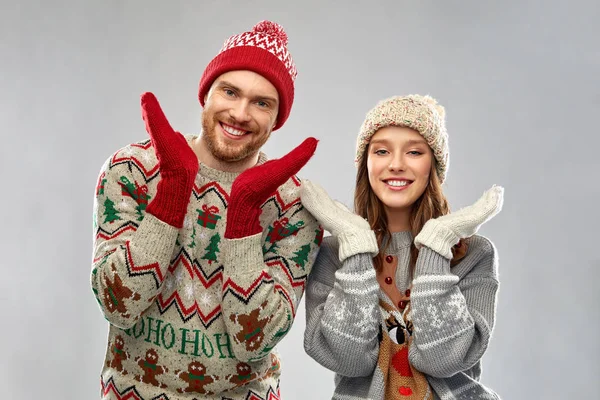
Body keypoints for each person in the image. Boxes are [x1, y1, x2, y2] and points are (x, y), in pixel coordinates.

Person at [91, 20, 322, 400]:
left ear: (277, 119)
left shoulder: (294, 205)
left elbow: (255, 340)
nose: (240, 113)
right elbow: (118, 304)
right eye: (229, 92)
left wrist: (245, 213)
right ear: (207, 94)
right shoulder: (131, 169)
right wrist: (173, 191)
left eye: (262, 102)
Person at [301, 94, 504, 399]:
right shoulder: (333, 253)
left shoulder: (474, 254)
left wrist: (437, 245)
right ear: (365, 164)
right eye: (381, 151)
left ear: (433, 164)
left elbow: (443, 359)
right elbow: (350, 360)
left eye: (414, 152)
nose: (396, 165)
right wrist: (355, 243)